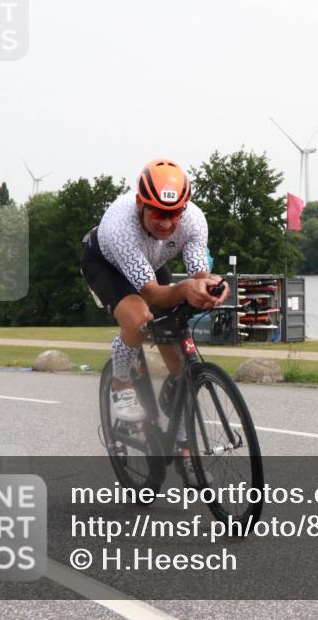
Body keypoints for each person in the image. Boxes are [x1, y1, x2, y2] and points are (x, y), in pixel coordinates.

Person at [80, 158, 229, 431]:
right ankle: (121, 381)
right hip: (106, 266)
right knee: (140, 320)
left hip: (153, 265)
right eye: (158, 213)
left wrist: (210, 285)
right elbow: (152, 294)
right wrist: (185, 289)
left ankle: (183, 435)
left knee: (178, 349)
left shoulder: (194, 220)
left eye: (174, 214)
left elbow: (198, 274)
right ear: (140, 203)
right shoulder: (120, 226)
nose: (167, 223)